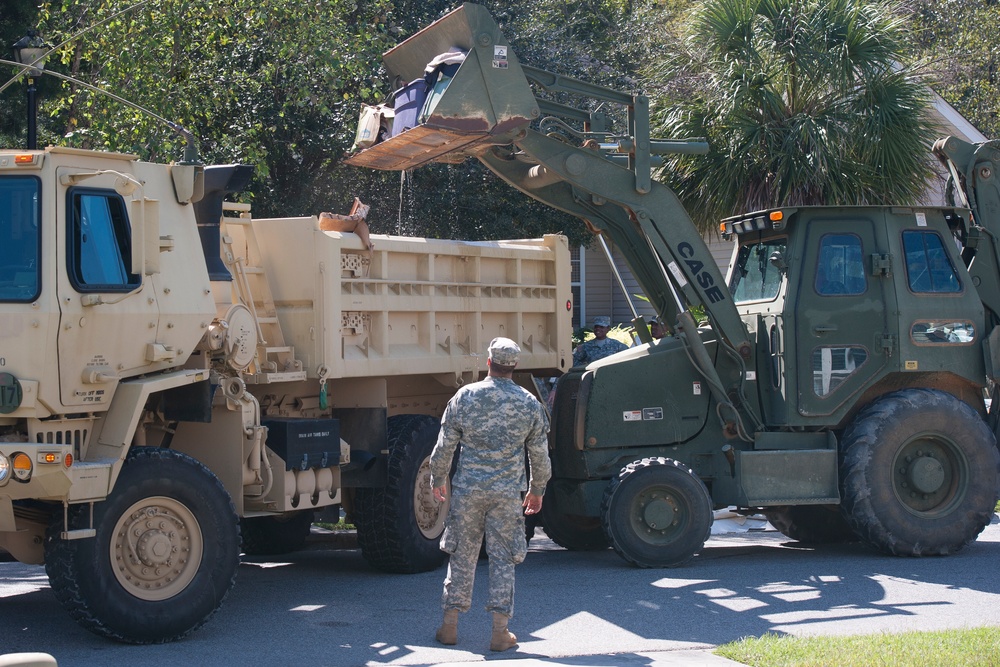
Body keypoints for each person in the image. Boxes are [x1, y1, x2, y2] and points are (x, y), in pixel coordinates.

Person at [429, 337, 551, 652]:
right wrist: (537, 489)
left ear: (488, 362)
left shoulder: (464, 397)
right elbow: (539, 455)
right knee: (503, 558)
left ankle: (450, 626)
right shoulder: (528, 403)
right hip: (507, 492)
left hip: (469, 489)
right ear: (515, 366)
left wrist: (438, 478)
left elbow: (444, 446)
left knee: (462, 556)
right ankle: (500, 632)